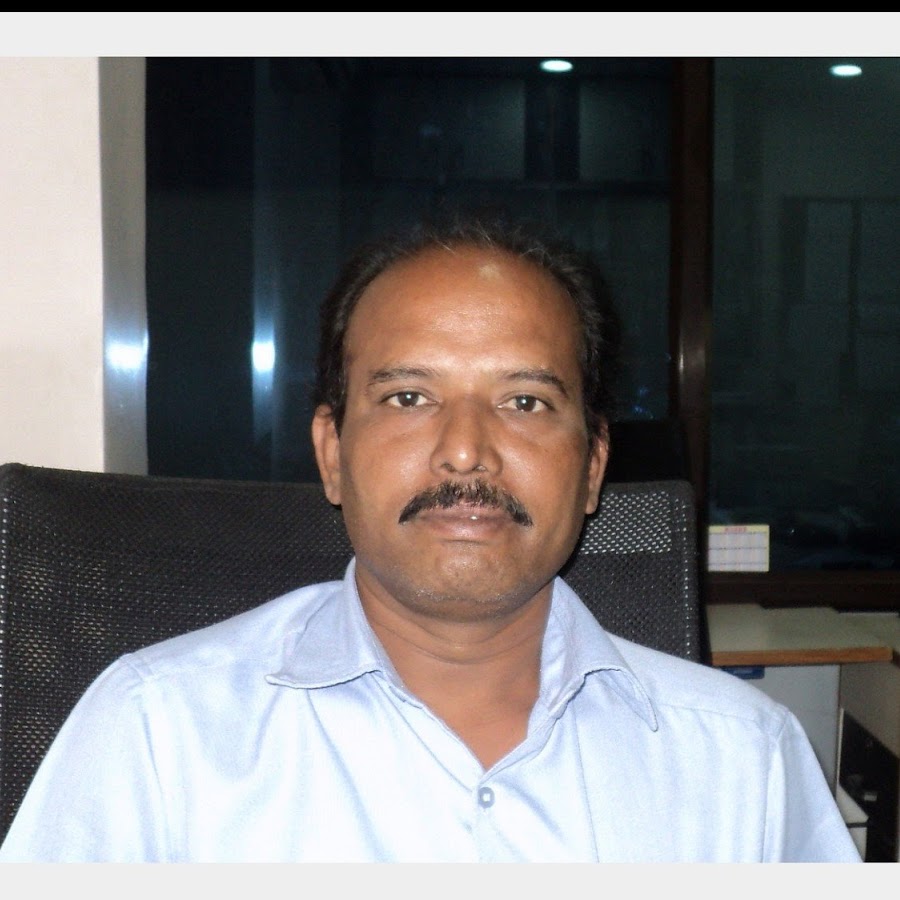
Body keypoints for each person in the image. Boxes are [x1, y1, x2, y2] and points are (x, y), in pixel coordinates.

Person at [0, 216, 860, 863]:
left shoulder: (746, 759)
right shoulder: (157, 731)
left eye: (525, 401)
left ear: (594, 465)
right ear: (332, 454)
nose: (465, 450)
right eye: (409, 398)